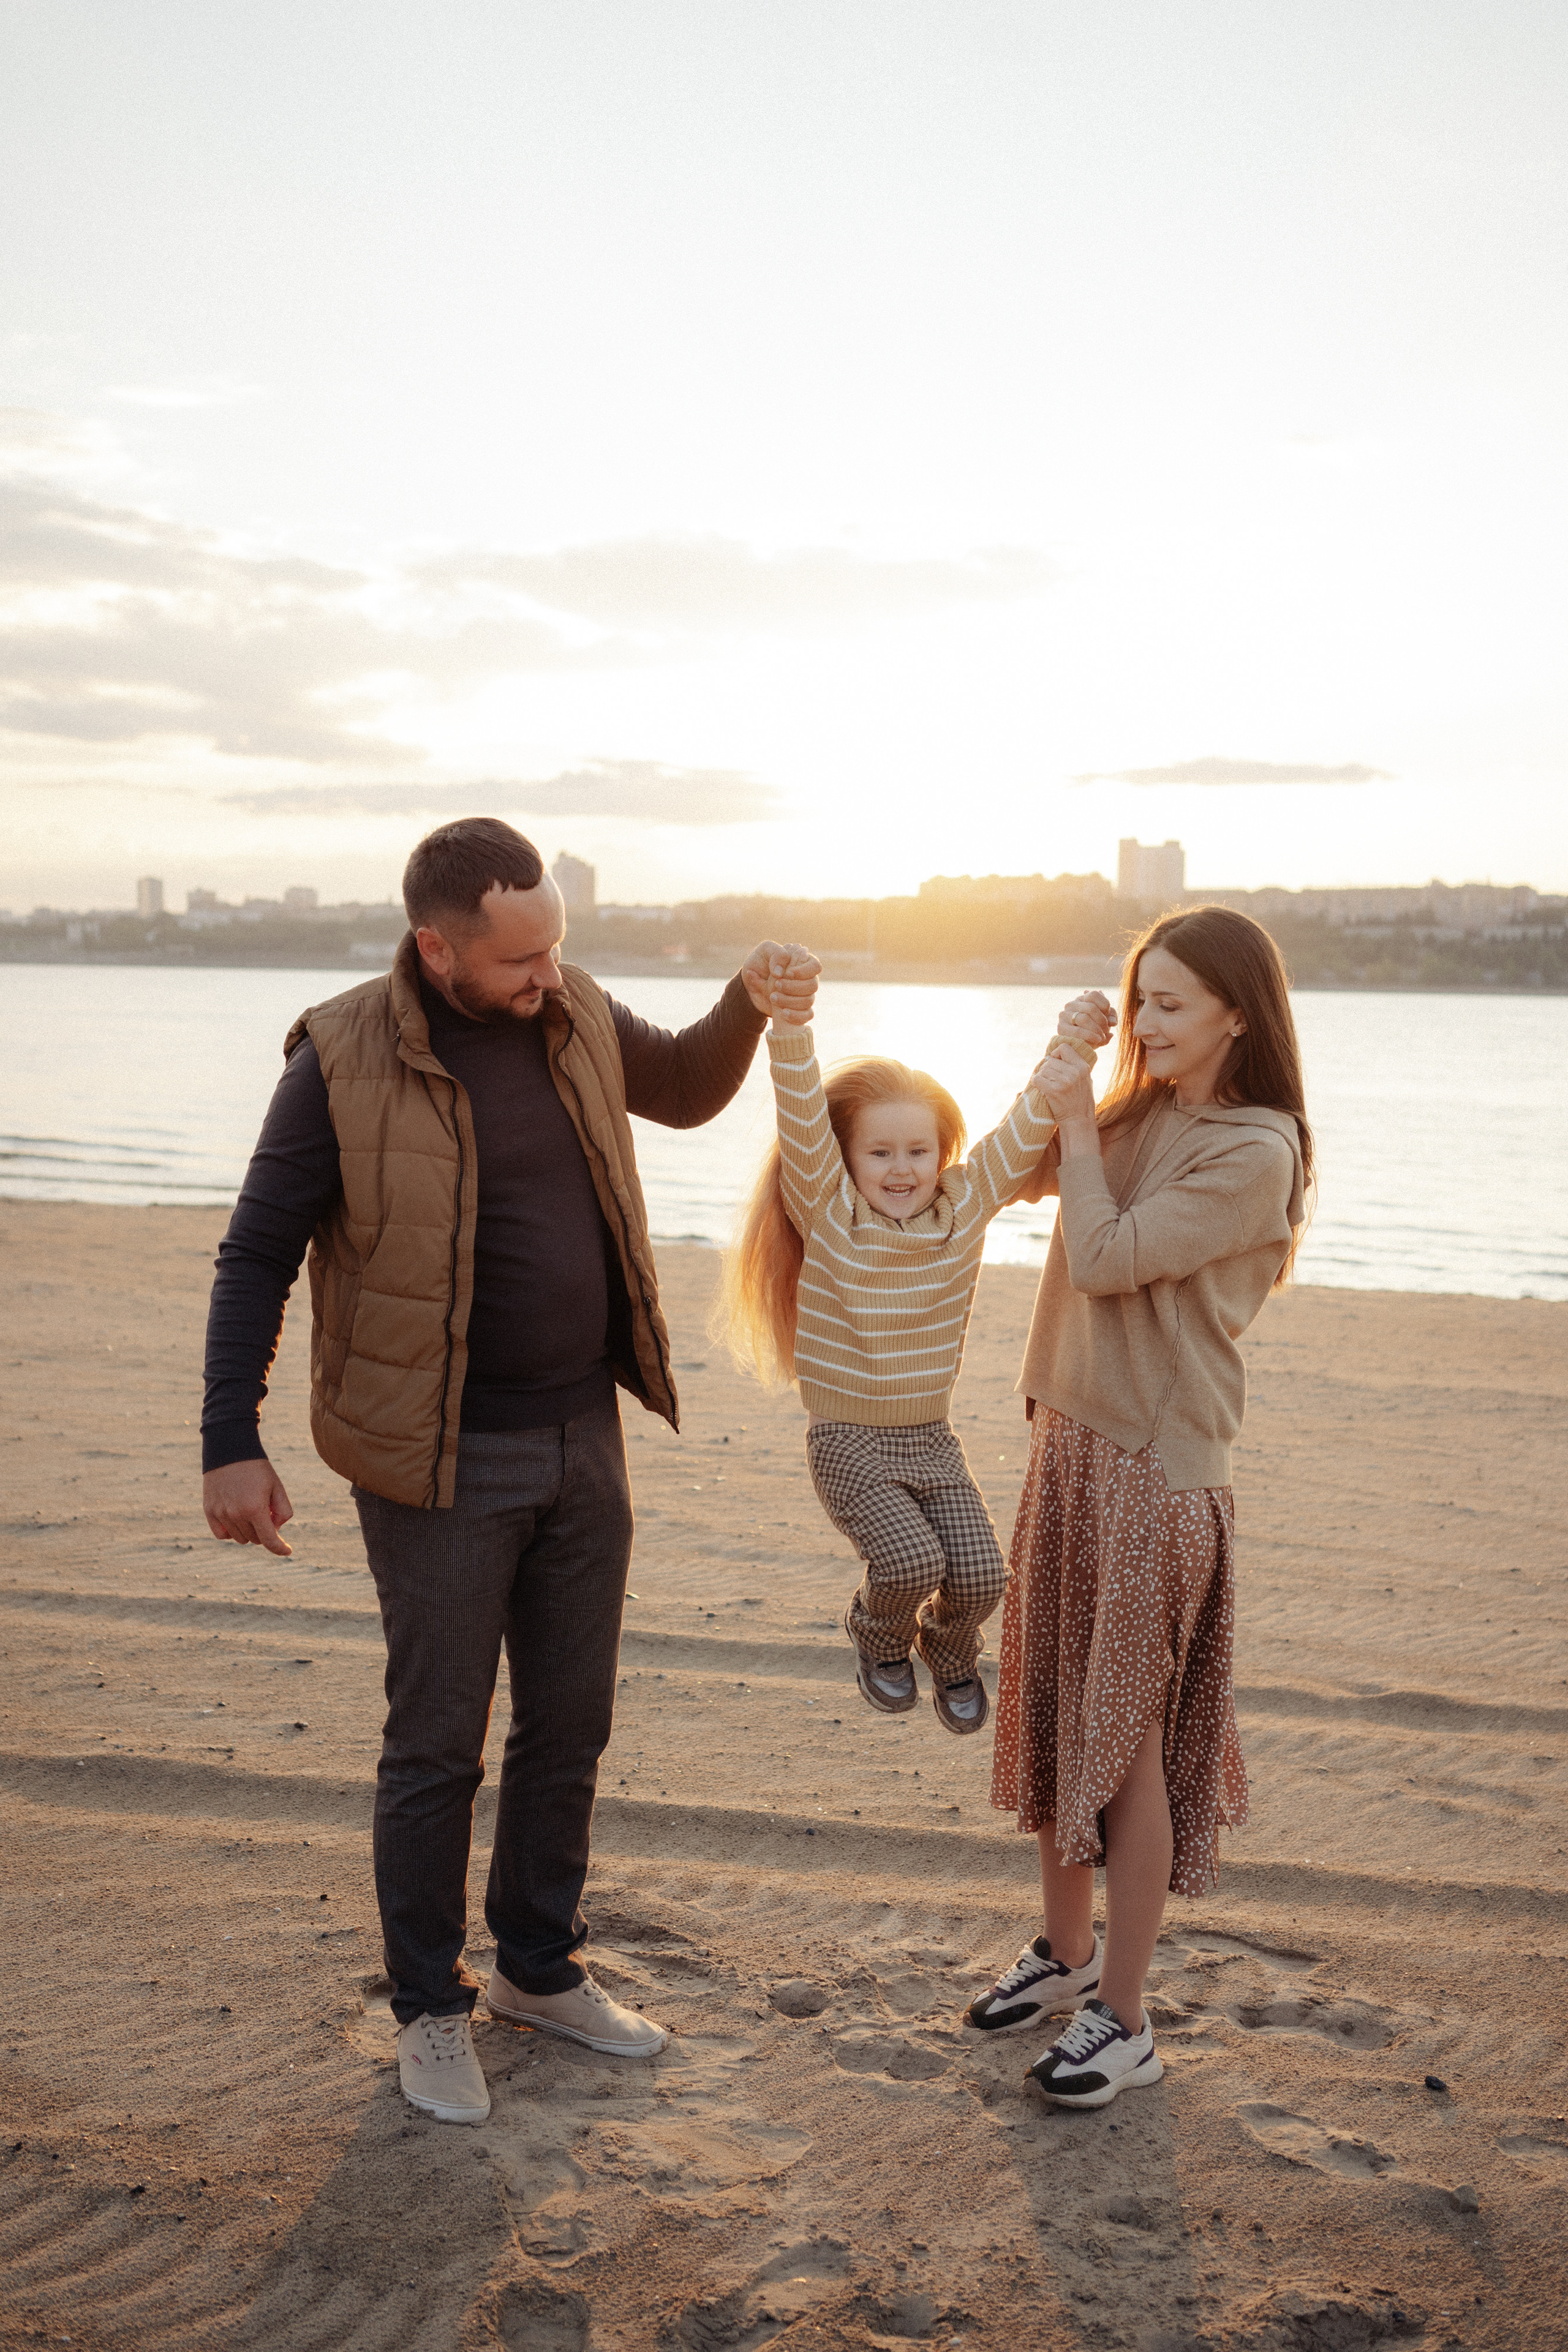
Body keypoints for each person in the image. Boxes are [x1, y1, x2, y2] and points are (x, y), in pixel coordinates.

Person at [200, 817, 819, 2127]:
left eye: (558, 944)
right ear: (439, 946)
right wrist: (228, 1439)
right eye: (522, 954)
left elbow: (690, 1086)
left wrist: (744, 1004)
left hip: (580, 1433)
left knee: (568, 1724)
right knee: (435, 1745)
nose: (551, 972)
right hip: (435, 1458)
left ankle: (536, 1971)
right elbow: (255, 1251)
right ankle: (429, 2008)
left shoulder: (571, 1003)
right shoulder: (339, 1057)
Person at [966, 906, 1312, 2110]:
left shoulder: (1255, 1151)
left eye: (1170, 1003)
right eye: (1138, 998)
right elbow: (1008, 1174)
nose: (1149, 1022)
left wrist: (1075, 1124)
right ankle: (1060, 1961)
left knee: (1127, 1757)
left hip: (1158, 1472)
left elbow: (1106, 1254)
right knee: (1061, 1716)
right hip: (1066, 1443)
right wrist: (1062, 1066)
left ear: (1235, 1012)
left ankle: (1123, 2019)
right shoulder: (1135, 1109)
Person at [714, 985, 1094, 1732]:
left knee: (984, 1576)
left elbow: (1029, 1120)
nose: (900, 1169)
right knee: (909, 1565)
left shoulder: (963, 1206)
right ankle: (879, 1639)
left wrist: (1075, 1039)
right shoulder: (831, 1212)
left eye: (918, 1151)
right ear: (847, 1158)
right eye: (879, 1152)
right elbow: (799, 1112)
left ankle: (949, 1655)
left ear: (942, 1157)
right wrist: (790, 1024)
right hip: (848, 1443)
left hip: (932, 1440)